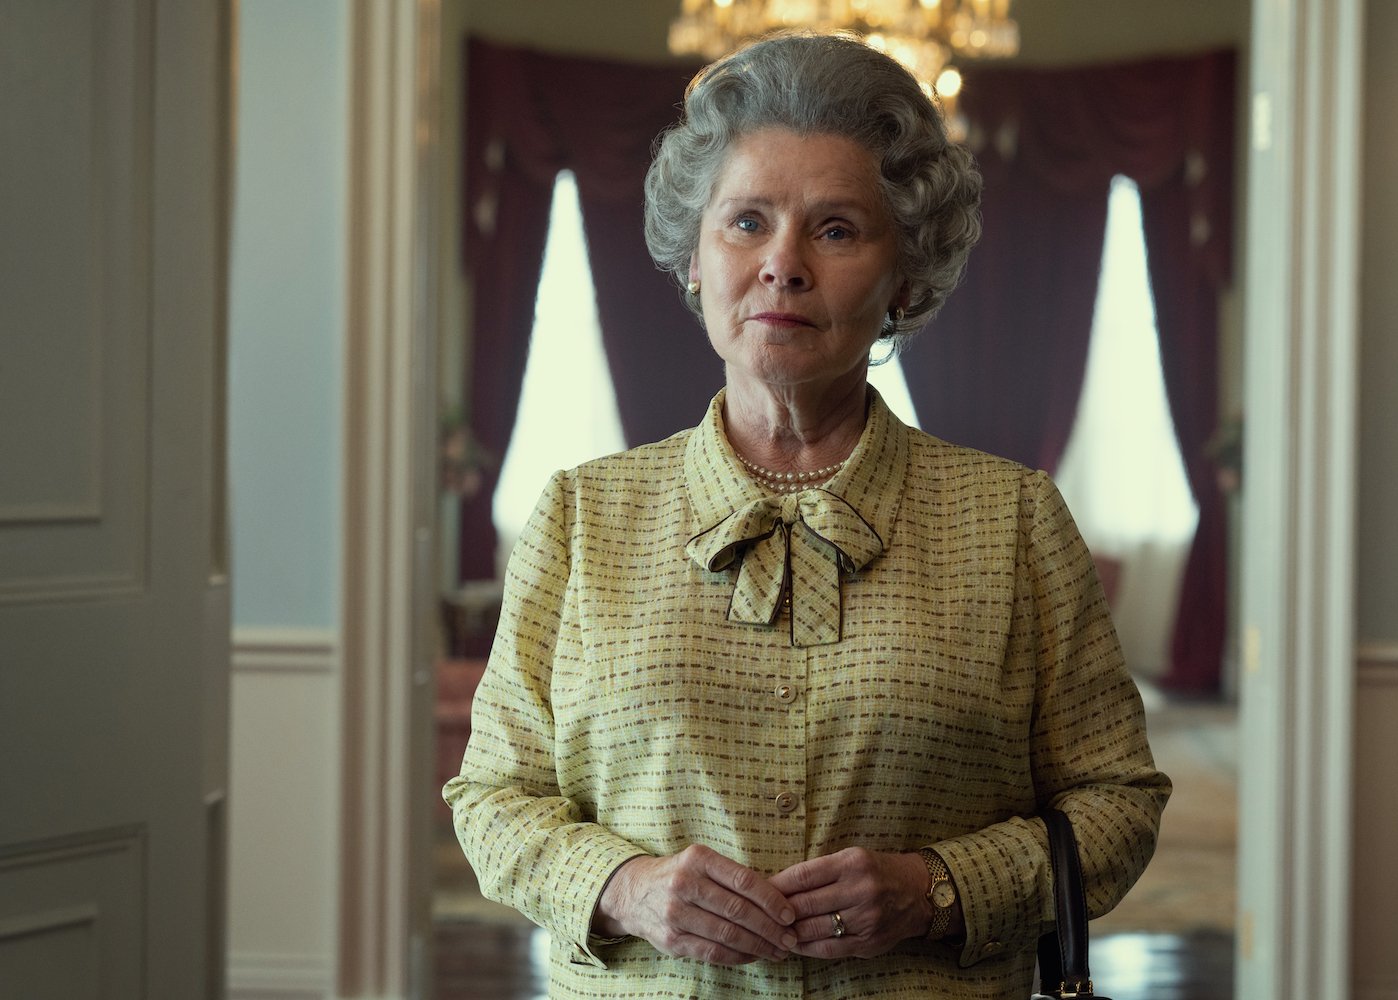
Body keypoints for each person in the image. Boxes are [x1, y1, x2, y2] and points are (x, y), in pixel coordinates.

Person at [443, 31, 1170, 999]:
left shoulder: (1015, 521)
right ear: (695, 259)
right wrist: (624, 886)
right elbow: (491, 797)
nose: (782, 263)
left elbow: (1118, 804)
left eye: (835, 229)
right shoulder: (582, 516)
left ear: (903, 277)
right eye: (746, 221)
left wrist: (938, 889)